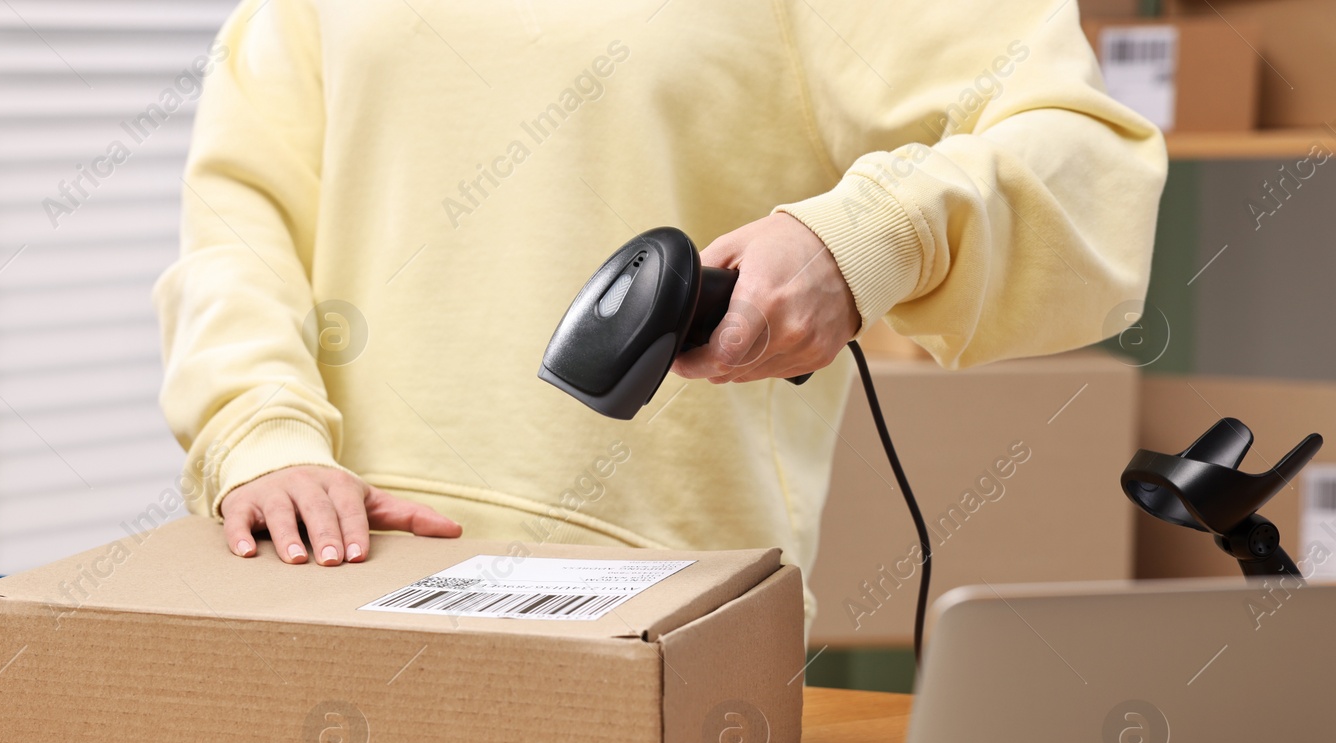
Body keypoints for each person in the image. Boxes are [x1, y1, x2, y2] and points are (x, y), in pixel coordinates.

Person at [156, 0, 1164, 625]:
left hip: (651, 606)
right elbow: (243, 212)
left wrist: (862, 238)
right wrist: (258, 434)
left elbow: (1087, 162)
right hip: (323, 581)